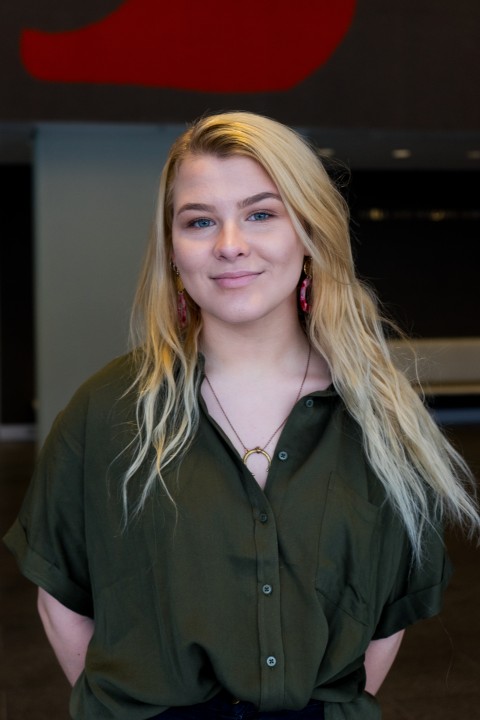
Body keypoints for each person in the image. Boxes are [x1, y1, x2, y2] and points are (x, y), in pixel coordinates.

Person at [4, 111, 479, 720]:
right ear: (173, 250)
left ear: (308, 233)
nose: (230, 244)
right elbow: (61, 602)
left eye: (261, 213)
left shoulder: (380, 418)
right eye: (200, 221)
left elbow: (384, 620)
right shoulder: (107, 409)